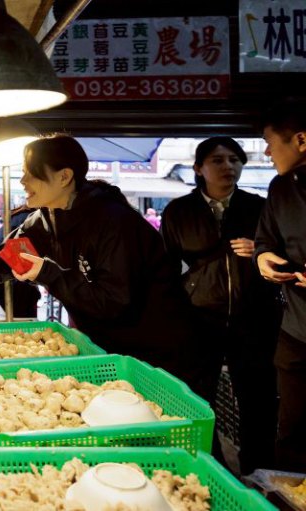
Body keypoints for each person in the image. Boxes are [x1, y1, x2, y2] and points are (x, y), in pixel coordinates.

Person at [0, 135, 199, 384]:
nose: (23, 181)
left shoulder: (113, 222)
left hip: (158, 352)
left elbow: (113, 302)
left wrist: (48, 273)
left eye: (30, 173)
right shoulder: (41, 222)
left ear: (64, 176)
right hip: (108, 349)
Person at [160, 136, 280, 474]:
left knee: (258, 399)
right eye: (217, 160)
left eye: (234, 159)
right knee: (198, 398)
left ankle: (257, 473)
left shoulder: (259, 207)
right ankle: (208, 466)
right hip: (199, 318)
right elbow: (166, 267)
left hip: (254, 316)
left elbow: (284, 252)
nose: (228, 166)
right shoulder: (179, 211)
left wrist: (260, 249)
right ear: (199, 168)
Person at [255, 101, 306, 471]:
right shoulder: (281, 187)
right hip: (296, 332)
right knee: (291, 432)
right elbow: (265, 240)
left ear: (301, 140)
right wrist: (263, 259)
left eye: (270, 143)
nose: (267, 153)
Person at [0, 204, 40, 318]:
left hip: (1, 283)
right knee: (23, 326)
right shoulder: (30, 219)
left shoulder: (19, 216)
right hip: (13, 287)